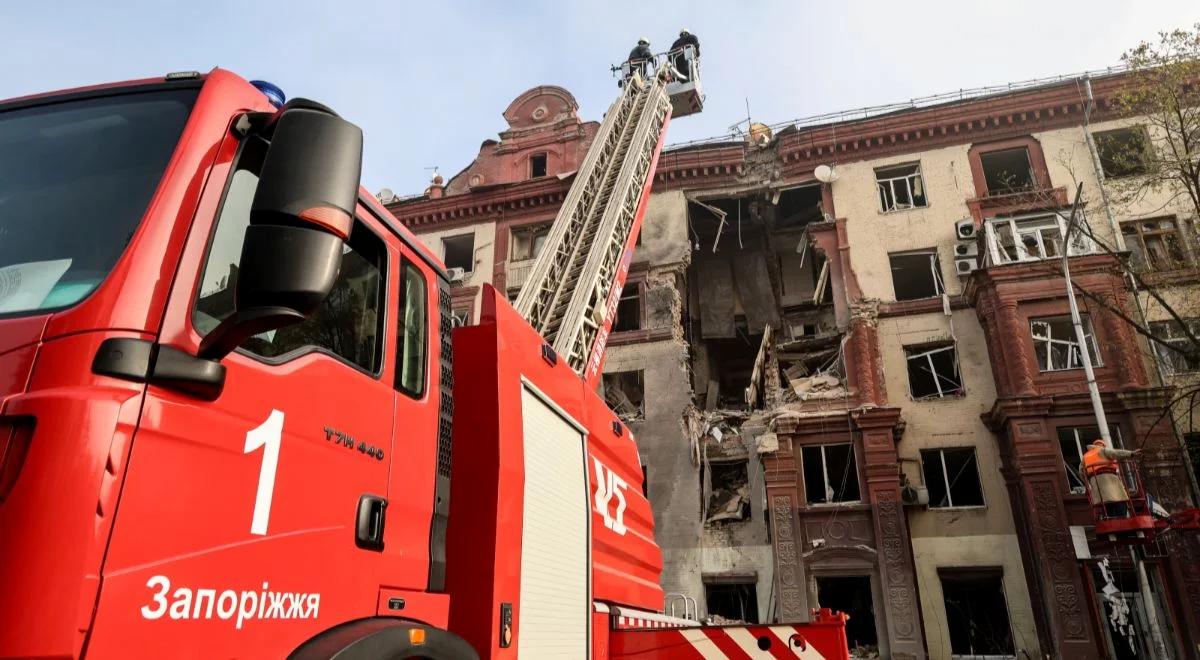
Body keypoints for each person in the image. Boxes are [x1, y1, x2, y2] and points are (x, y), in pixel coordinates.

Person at [1081, 439, 1139, 517]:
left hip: (1095, 481)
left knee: (1106, 503)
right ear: (1102, 445)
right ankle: (1121, 518)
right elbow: (1115, 453)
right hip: (1109, 478)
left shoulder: (1086, 456)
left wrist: (1088, 483)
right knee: (1119, 499)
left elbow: (1081, 471)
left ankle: (1111, 517)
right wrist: (1131, 454)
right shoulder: (1102, 450)